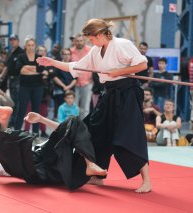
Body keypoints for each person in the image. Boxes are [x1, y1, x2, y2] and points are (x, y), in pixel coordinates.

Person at [37, 18, 152, 193]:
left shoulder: (122, 44)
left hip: (127, 93)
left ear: (99, 34)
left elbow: (142, 64)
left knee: (129, 135)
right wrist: (53, 62)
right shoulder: (96, 51)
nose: (91, 42)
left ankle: (147, 181)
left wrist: (118, 72)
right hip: (109, 94)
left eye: (91, 38)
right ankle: (98, 176)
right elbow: (76, 66)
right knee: (97, 131)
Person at [0, 101, 107, 190]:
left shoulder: (73, 164)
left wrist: (41, 119)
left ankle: (90, 164)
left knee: (74, 120)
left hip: (51, 168)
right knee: (11, 151)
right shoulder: (19, 158)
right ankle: (4, 120)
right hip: (33, 167)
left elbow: (66, 129)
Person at [14, 35, 45, 134]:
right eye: (29, 45)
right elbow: (21, 70)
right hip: (24, 86)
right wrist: (34, 69)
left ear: (35, 46)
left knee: (36, 110)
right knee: (21, 109)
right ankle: (17, 131)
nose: (31, 47)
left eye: (32, 45)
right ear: (25, 46)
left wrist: (28, 68)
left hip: (38, 86)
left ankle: (35, 133)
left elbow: (40, 71)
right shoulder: (21, 56)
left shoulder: (39, 57)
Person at [71, 33, 92, 119]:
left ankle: (83, 128)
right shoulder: (70, 51)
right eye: (77, 41)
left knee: (85, 108)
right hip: (74, 83)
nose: (79, 42)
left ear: (84, 41)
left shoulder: (90, 50)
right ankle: (73, 127)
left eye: (81, 41)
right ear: (74, 42)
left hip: (87, 83)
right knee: (73, 107)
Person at [52, 48, 77, 116]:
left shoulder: (73, 65)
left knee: (71, 110)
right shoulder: (58, 64)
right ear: (62, 55)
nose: (67, 56)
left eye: (68, 54)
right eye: (65, 54)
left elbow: (75, 79)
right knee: (61, 109)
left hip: (70, 89)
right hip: (59, 89)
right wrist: (64, 86)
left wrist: (68, 87)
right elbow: (54, 77)